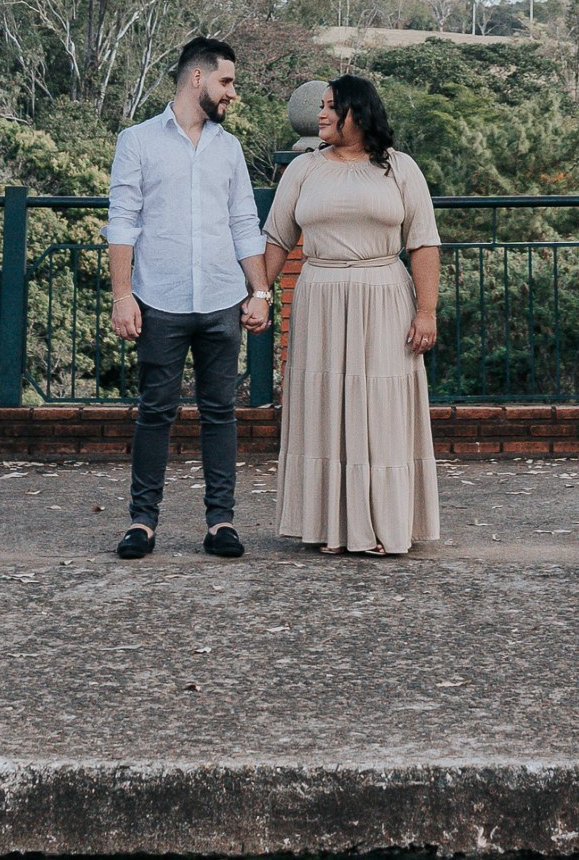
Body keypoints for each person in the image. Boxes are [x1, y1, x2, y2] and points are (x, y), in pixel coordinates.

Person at [104, 35, 273, 561]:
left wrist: (260, 289)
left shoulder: (230, 148)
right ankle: (142, 522)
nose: (232, 94)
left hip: (223, 299)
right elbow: (122, 222)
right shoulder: (137, 141)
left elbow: (245, 222)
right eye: (226, 82)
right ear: (196, 78)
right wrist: (123, 295)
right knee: (155, 410)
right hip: (160, 299)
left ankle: (221, 522)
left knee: (221, 411)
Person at [259, 73, 441, 556]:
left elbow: (423, 242)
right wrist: (258, 294)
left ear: (357, 113)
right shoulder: (302, 170)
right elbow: (277, 239)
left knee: (380, 406)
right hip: (318, 295)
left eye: (329, 105)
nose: (320, 114)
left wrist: (427, 312)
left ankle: (385, 525)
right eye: (318, 106)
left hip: (383, 294)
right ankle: (331, 526)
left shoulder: (400, 169)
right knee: (325, 406)